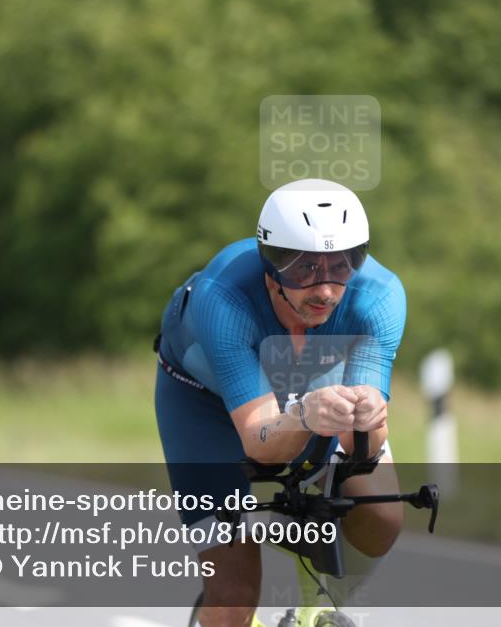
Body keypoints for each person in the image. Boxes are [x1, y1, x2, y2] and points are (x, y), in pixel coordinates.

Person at [154, 178, 407, 627]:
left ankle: (318, 608)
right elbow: (260, 440)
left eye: (342, 266)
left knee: (382, 513)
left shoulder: (380, 299)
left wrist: (367, 419)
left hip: (309, 388)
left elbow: (362, 446)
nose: (326, 289)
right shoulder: (223, 297)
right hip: (205, 403)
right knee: (233, 596)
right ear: (271, 263)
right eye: (305, 269)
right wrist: (308, 414)